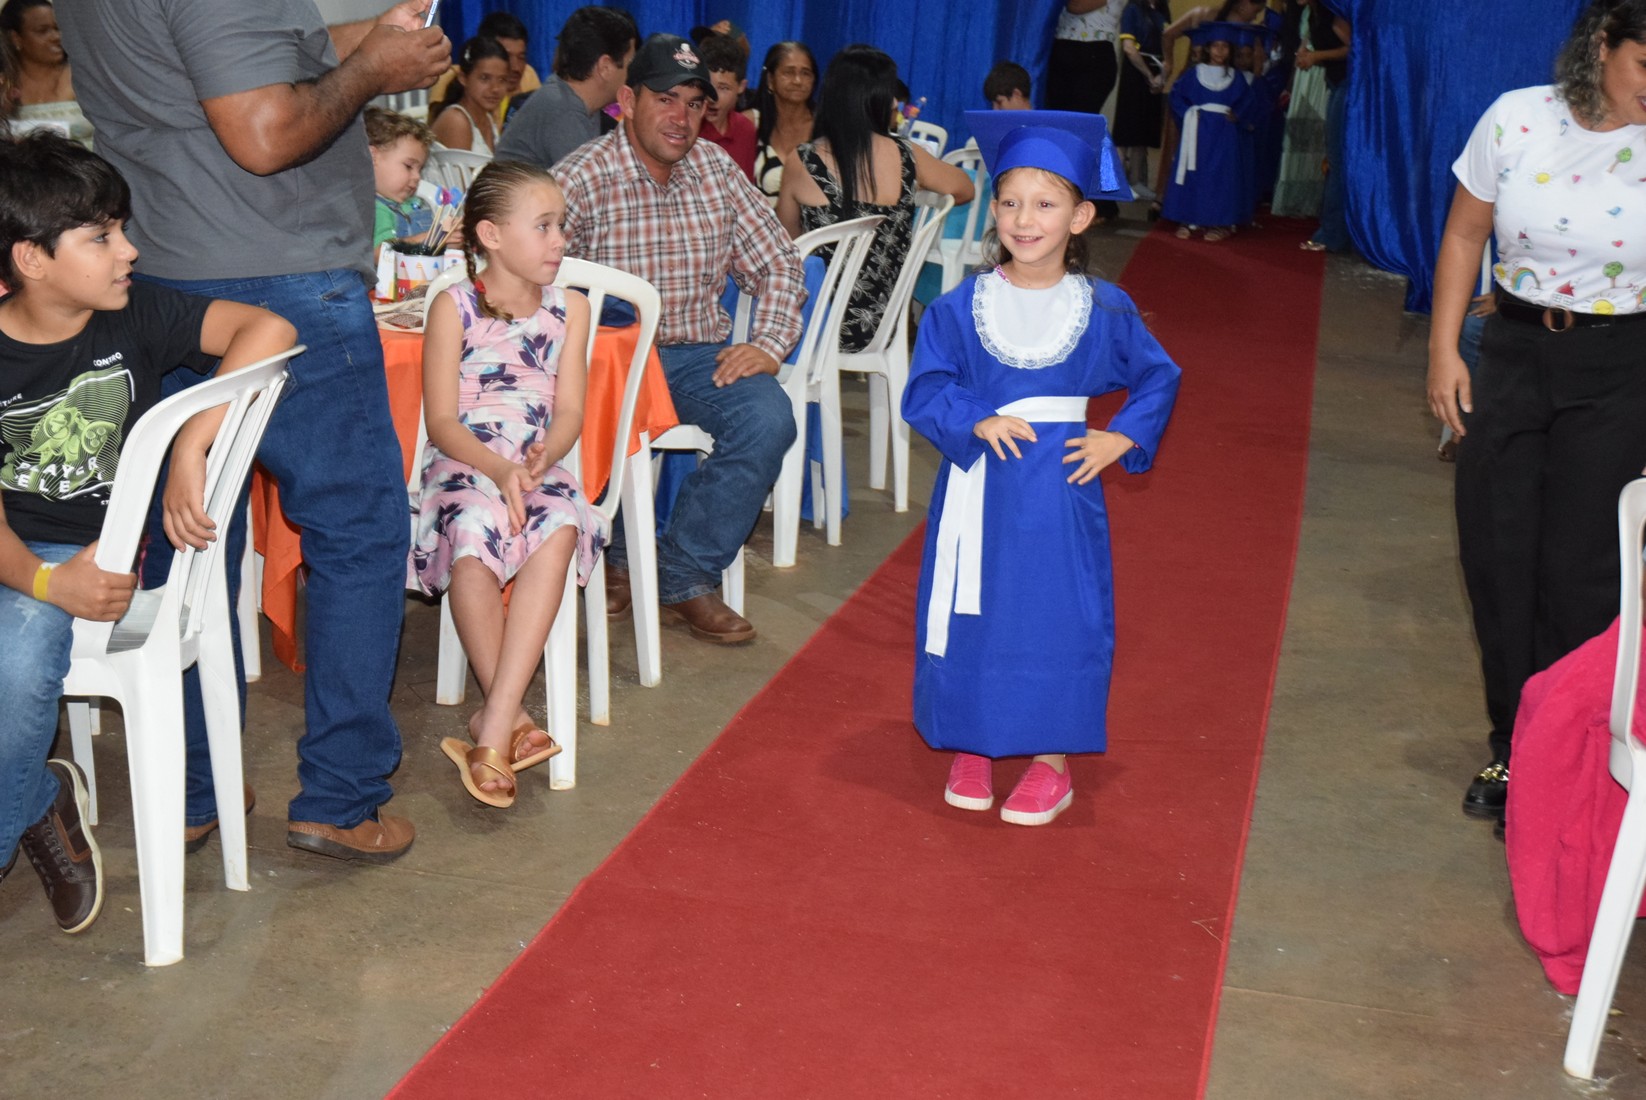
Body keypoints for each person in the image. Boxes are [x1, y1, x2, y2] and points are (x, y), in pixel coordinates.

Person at [58, 0, 450, 863]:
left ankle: (192, 787)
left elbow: (216, 74)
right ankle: (342, 797)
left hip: (160, 273)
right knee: (358, 534)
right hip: (281, 273)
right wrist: (377, 71)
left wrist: (358, 43)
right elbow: (264, 131)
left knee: (184, 543)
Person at [0, 133, 297, 930]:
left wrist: (186, 441)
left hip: (82, 551)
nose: (128, 249)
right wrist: (38, 581)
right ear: (31, 259)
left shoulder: (139, 313)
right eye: (101, 236)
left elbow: (267, 329)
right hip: (24, 559)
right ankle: (40, 796)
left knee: (20, 658)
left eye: (121, 228)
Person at [903, 110, 1180, 826]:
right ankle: (972, 735)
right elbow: (926, 388)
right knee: (976, 609)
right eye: (1011, 201)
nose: (1026, 220)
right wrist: (974, 418)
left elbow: (1158, 377)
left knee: (1057, 616)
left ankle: (1051, 758)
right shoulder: (961, 308)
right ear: (993, 209)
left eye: (1047, 204)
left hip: (1061, 494)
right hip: (983, 490)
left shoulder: (1104, 309)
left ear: (1082, 216)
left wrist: (1121, 437)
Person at [1426, 0, 1646, 835]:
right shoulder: (1517, 118)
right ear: (1603, 48)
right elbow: (1462, 235)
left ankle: (1568, 749)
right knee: (1497, 551)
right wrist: (1445, 352)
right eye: (1645, 68)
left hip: (1623, 368)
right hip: (1511, 356)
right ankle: (1512, 744)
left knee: (1583, 570)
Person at [556, 33, 804, 644]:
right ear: (626, 99)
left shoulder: (716, 169)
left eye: (695, 103)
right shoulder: (580, 178)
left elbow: (780, 262)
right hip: (605, 363)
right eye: (666, 99)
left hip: (694, 357)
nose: (681, 117)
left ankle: (680, 571)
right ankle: (611, 555)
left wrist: (768, 343)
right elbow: (532, 279)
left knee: (769, 417)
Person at [410, 160, 606, 807]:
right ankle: (509, 719)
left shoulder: (569, 310)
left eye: (561, 226)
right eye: (544, 226)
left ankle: (492, 724)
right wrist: (496, 470)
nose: (559, 241)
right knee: (471, 528)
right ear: (491, 235)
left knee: (560, 524)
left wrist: (547, 452)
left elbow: (570, 408)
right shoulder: (453, 306)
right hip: (468, 464)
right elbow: (441, 420)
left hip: (536, 466)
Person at [777, 44, 973, 351]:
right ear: (881, 99)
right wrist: (912, 190)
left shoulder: (802, 161)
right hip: (884, 323)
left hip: (813, 320)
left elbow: (787, 242)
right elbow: (965, 188)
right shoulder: (908, 156)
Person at [494, 5, 637, 170]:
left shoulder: (577, 104)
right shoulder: (561, 109)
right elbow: (590, 188)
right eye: (631, 62)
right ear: (605, 67)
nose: (635, 72)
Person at [1161, 22, 1256, 242]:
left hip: (1225, 136)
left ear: (1230, 50)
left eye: (1225, 47)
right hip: (1198, 132)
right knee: (1195, 173)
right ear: (1207, 49)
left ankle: (1219, 222)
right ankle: (1187, 218)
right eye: (1215, 46)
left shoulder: (1236, 77)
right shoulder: (1195, 74)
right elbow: (1176, 96)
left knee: (1221, 177)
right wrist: (1188, 113)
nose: (1220, 51)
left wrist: (1238, 115)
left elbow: (1249, 101)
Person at [1046, 1, 1122, 223]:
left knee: (1088, 131)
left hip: (1094, 54)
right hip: (1062, 49)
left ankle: (1103, 202)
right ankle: (1067, 197)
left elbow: (1077, 5)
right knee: (1063, 132)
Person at [1295, 2, 1351, 252]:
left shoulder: (1333, 13)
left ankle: (1332, 234)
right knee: (1336, 159)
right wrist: (1305, 54)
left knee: (1338, 161)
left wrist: (1315, 56)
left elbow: (1352, 48)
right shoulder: (1312, 15)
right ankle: (1333, 230)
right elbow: (1306, 46)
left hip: (1350, 85)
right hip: (1335, 82)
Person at [429, 9, 540, 126]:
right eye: (505, 56)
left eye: (521, 57)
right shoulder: (451, 78)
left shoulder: (528, 75)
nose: (516, 67)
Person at [2, 0, 86, 144]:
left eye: (57, 28)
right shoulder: (5, 85)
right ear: (16, 38)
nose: (56, 37)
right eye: (43, 31)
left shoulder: (83, 77)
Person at [1116, 0, 1171, 202]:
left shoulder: (1163, 11)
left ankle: (1137, 181)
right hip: (1136, 70)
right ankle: (1119, 183)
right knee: (1126, 131)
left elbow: (1168, 45)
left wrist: (1162, 76)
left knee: (1143, 132)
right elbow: (1129, 48)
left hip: (1156, 71)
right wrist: (1149, 75)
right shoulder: (1132, 9)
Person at [750, 41, 817, 204]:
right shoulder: (749, 123)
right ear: (770, 80)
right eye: (789, 72)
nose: (798, 80)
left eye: (806, 73)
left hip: (813, 228)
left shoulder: (824, 127)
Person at [366, 106, 436, 259]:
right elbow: (379, 254)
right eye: (409, 166)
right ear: (373, 157)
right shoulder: (371, 208)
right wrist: (426, 240)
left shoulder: (415, 203)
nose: (417, 177)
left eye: (420, 169)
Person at [432, 35, 508, 153]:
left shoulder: (487, 118)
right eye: (485, 78)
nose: (495, 88)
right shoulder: (457, 121)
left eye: (502, 80)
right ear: (463, 78)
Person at [697, 32, 755, 180]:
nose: (712, 97)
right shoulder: (687, 129)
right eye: (707, 85)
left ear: (741, 87)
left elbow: (747, 190)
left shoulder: (746, 130)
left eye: (723, 88)